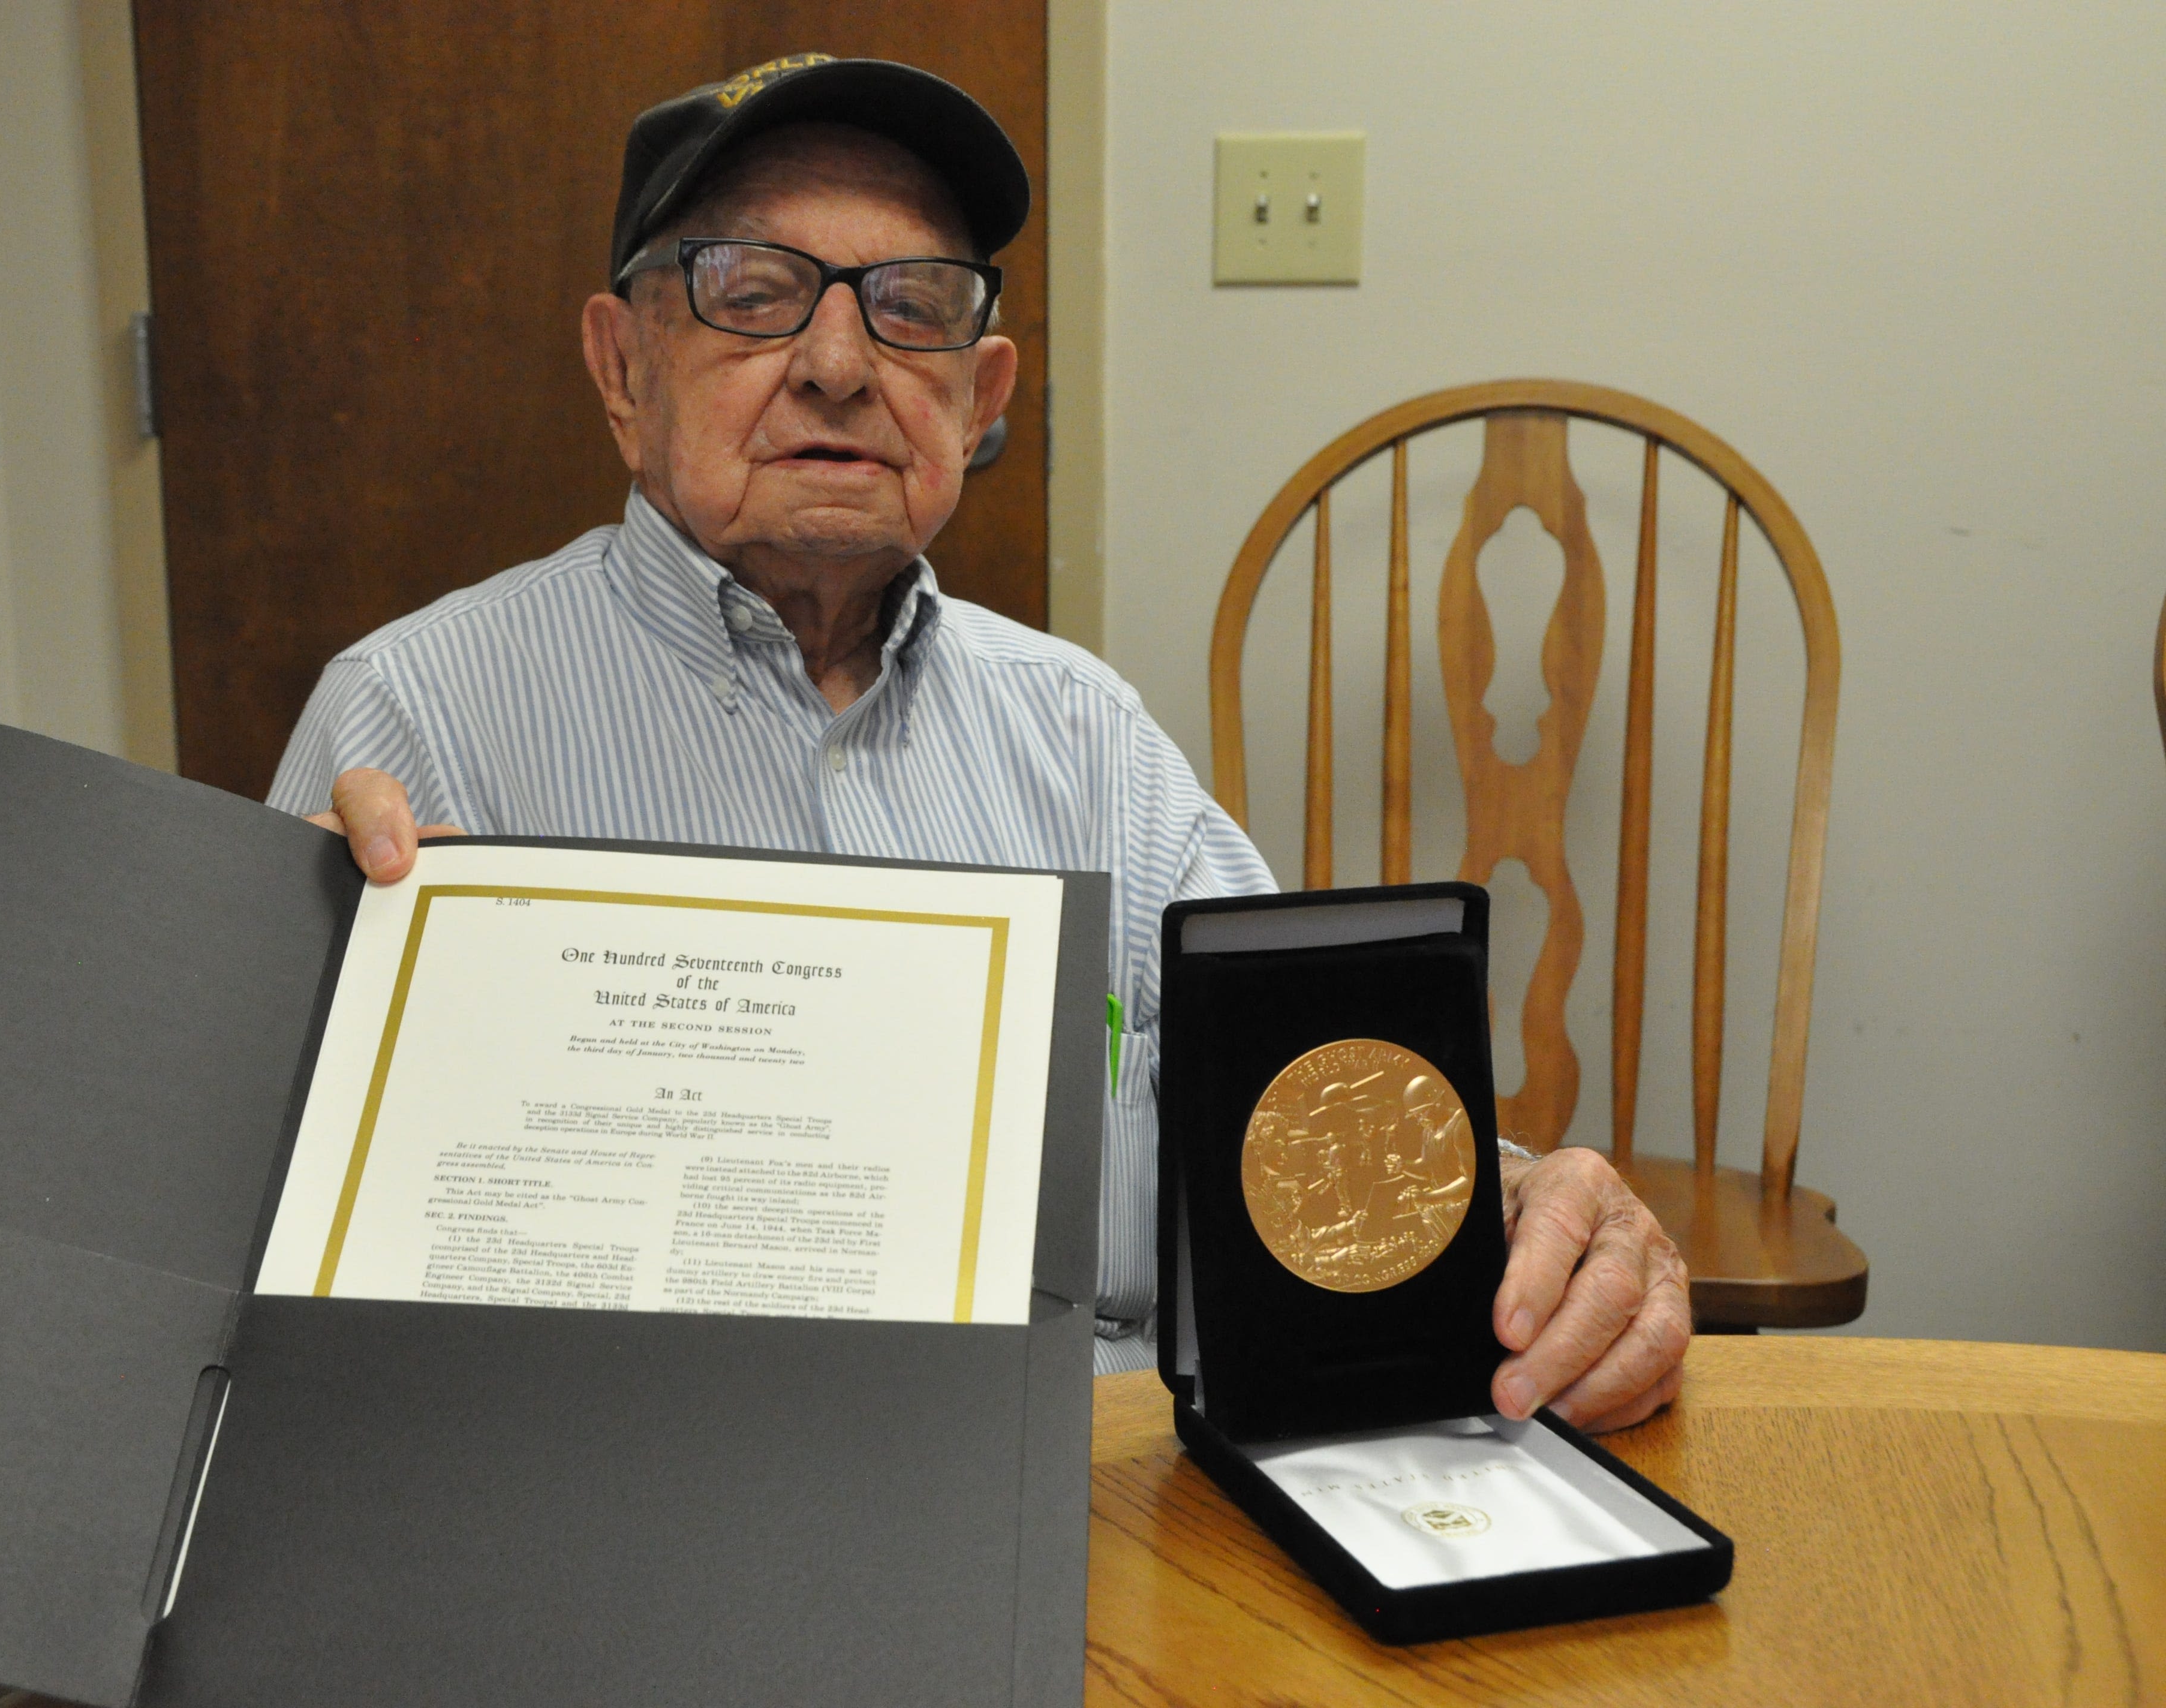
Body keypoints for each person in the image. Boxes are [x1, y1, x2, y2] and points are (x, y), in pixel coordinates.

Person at [268, 53, 1690, 1432]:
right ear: (622, 367)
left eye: (910, 308)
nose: (837, 364)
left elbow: (1324, 1122)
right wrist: (275, 1033)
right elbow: (236, 1290)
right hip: (628, 1499)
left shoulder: (1088, 741)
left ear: (980, 393)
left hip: (1095, 1498)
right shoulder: (415, 721)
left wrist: (1524, 1217)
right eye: (754, 295)